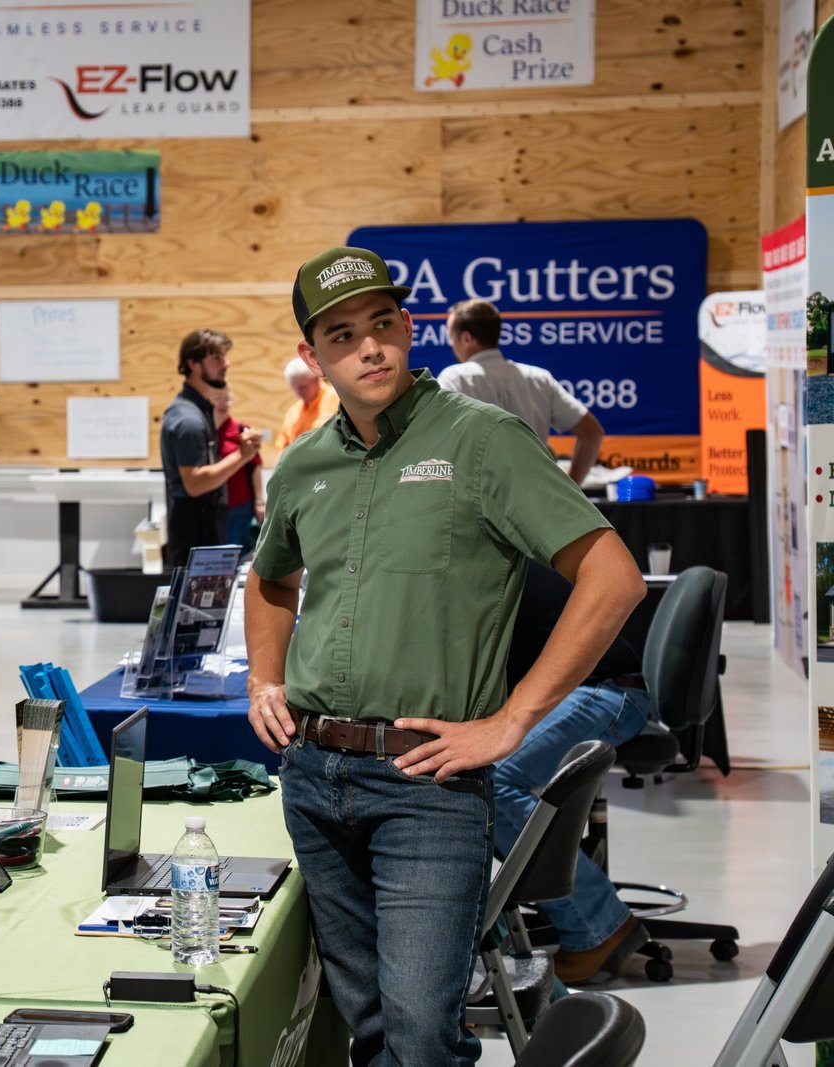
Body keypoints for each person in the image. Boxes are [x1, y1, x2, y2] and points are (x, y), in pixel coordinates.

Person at [245, 247, 644, 1065]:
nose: (370, 348)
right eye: (343, 334)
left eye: (383, 324)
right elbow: (269, 579)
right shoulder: (305, 465)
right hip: (315, 780)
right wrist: (263, 677)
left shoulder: (482, 438)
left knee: (424, 1037)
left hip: (427, 785)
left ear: (409, 326)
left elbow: (613, 577)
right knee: (372, 1033)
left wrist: (510, 721)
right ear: (314, 356)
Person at [494, 562, 652, 984]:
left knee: (493, 779)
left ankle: (600, 924)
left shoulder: (486, 566)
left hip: (607, 691)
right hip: (586, 687)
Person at [437, 298, 605, 485]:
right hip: (534, 500)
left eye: (451, 337)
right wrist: (571, 489)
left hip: (477, 499)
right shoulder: (539, 379)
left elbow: (437, 443)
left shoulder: (453, 379)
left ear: (466, 338)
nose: (451, 344)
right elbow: (592, 432)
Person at [159, 328, 261, 568]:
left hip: (201, 533)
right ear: (193, 364)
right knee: (196, 606)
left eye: (224, 356)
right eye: (216, 358)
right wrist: (242, 456)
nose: (226, 363)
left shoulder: (197, 411)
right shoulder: (189, 420)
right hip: (195, 538)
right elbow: (194, 483)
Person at [211, 389, 263, 550]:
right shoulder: (205, 430)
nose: (223, 403)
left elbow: (255, 466)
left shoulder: (240, 429)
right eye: (218, 398)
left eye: (227, 399)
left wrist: (259, 501)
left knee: (238, 553)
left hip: (240, 505)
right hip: (213, 506)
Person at [274, 356, 339, 450]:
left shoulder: (338, 400)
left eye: (302, 387)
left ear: (316, 380)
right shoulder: (293, 411)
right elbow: (282, 444)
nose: (298, 392)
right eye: (294, 387)